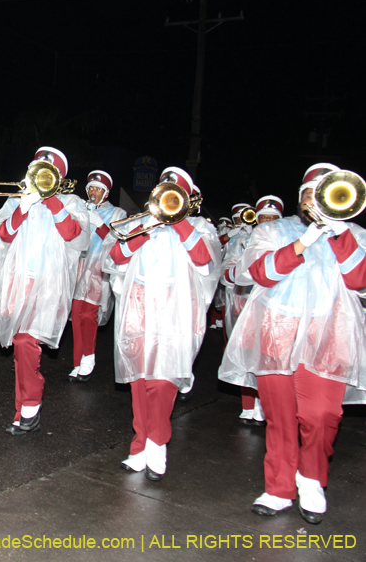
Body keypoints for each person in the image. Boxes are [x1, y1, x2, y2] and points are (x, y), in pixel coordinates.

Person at [219, 163, 366, 525]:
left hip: (330, 337)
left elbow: (360, 281)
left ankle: (312, 479)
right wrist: (302, 243)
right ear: (300, 197)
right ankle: (279, 488)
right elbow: (258, 274)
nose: (314, 200)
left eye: (323, 192)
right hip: (276, 333)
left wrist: (339, 235)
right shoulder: (273, 230)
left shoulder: (356, 234)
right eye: (308, 193)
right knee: (280, 417)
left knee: (323, 415)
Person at [103, 167, 219, 480]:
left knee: (163, 382)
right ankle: (139, 445)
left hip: (175, 313)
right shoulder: (141, 223)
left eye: (175, 192)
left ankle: (157, 441)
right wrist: (145, 231)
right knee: (139, 382)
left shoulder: (198, 227)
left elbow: (206, 263)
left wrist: (177, 222)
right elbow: (114, 258)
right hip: (139, 310)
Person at [0, 147, 89, 434]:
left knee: (26, 343)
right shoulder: (18, 199)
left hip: (49, 285)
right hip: (18, 282)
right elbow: (3, 233)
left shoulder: (71, 202)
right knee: (20, 347)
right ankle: (24, 409)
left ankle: (30, 405)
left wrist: (52, 202)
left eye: (46, 172)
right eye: (35, 168)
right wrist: (23, 207)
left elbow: (75, 235)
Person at [220, 195, 283, 426]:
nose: (267, 222)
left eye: (272, 218)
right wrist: (243, 270)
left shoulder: (289, 240)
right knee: (247, 352)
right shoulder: (245, 239)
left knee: (269, 356)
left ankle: (265, 405)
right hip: (245, 302)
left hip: (275, 307)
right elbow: (228, 271)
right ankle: (248, 405)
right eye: (263, 217)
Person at [69, 170, 126, 382]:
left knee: (88, 315)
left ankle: (89, 358)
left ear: (106, 193)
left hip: (97, 270)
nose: (93, 192)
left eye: (98, 189)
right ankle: (77, 363)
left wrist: (99, 223)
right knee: (76, 315)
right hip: (78, 268)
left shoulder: (117, 213)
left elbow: (117, 243)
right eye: (90, 188)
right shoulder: (79, 207)